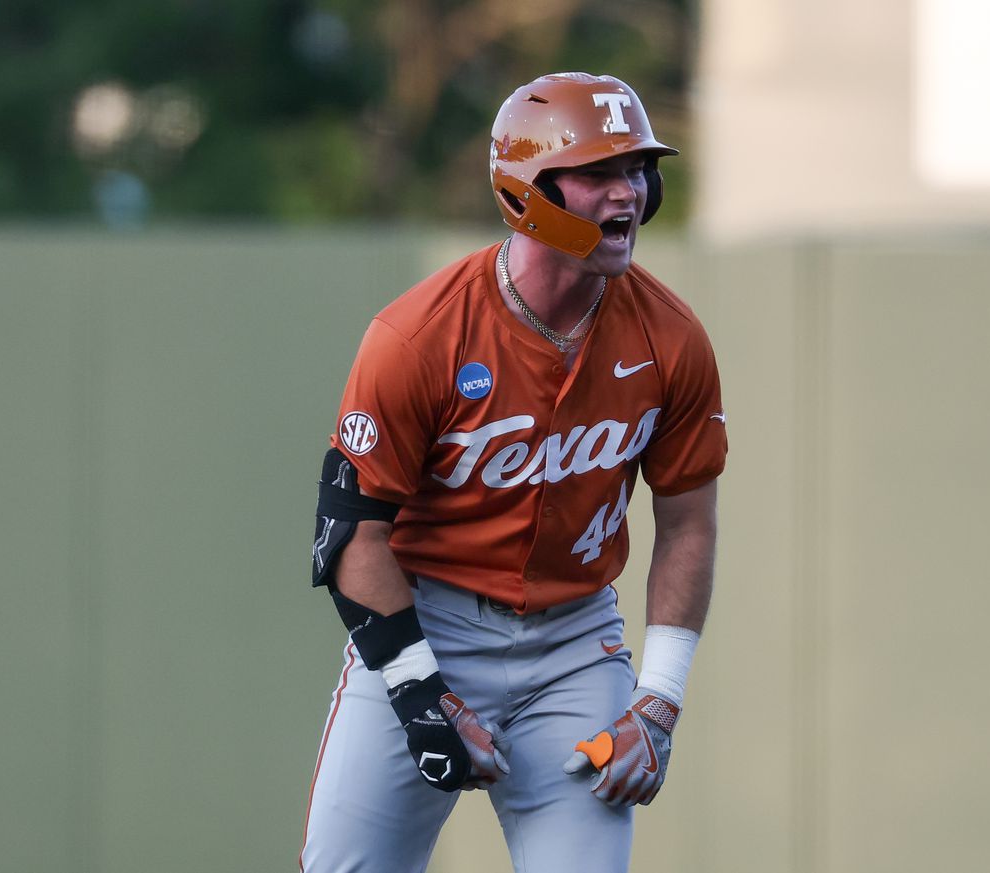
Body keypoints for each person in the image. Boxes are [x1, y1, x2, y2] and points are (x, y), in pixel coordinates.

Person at [299, 71, 727, 873]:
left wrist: (659, 702)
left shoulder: (672, 337)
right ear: (525, 191)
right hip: (428, 624)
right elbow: (350, 535)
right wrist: (419, 690)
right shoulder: (419, 335)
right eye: (598, 172)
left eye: (638, 168)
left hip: (575, 643)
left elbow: (688, 524)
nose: (628, 192)